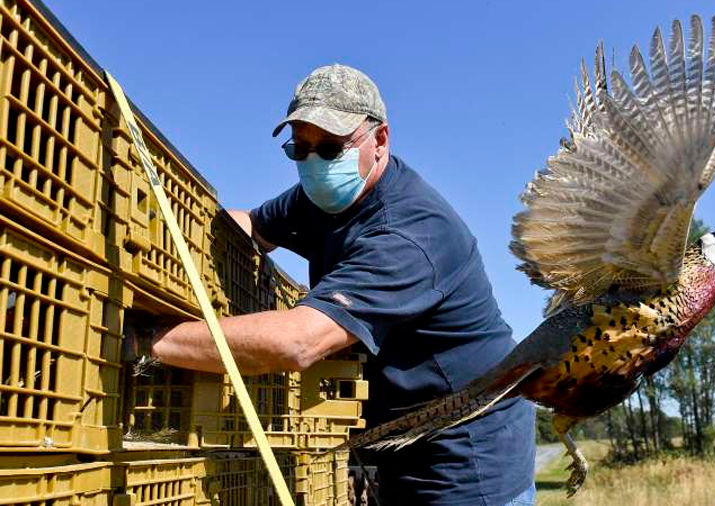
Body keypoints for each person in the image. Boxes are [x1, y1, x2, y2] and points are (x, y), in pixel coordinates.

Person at [133, 64, 536, 505]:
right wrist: (167, 235)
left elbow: (296, 343)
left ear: (379, 141)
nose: (314, 163)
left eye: (330, 149)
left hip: (466, 468)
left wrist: (147, 338)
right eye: (299, 150)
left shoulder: (409, 235)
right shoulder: (321, 198)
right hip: (397, 449)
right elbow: (252, 226)